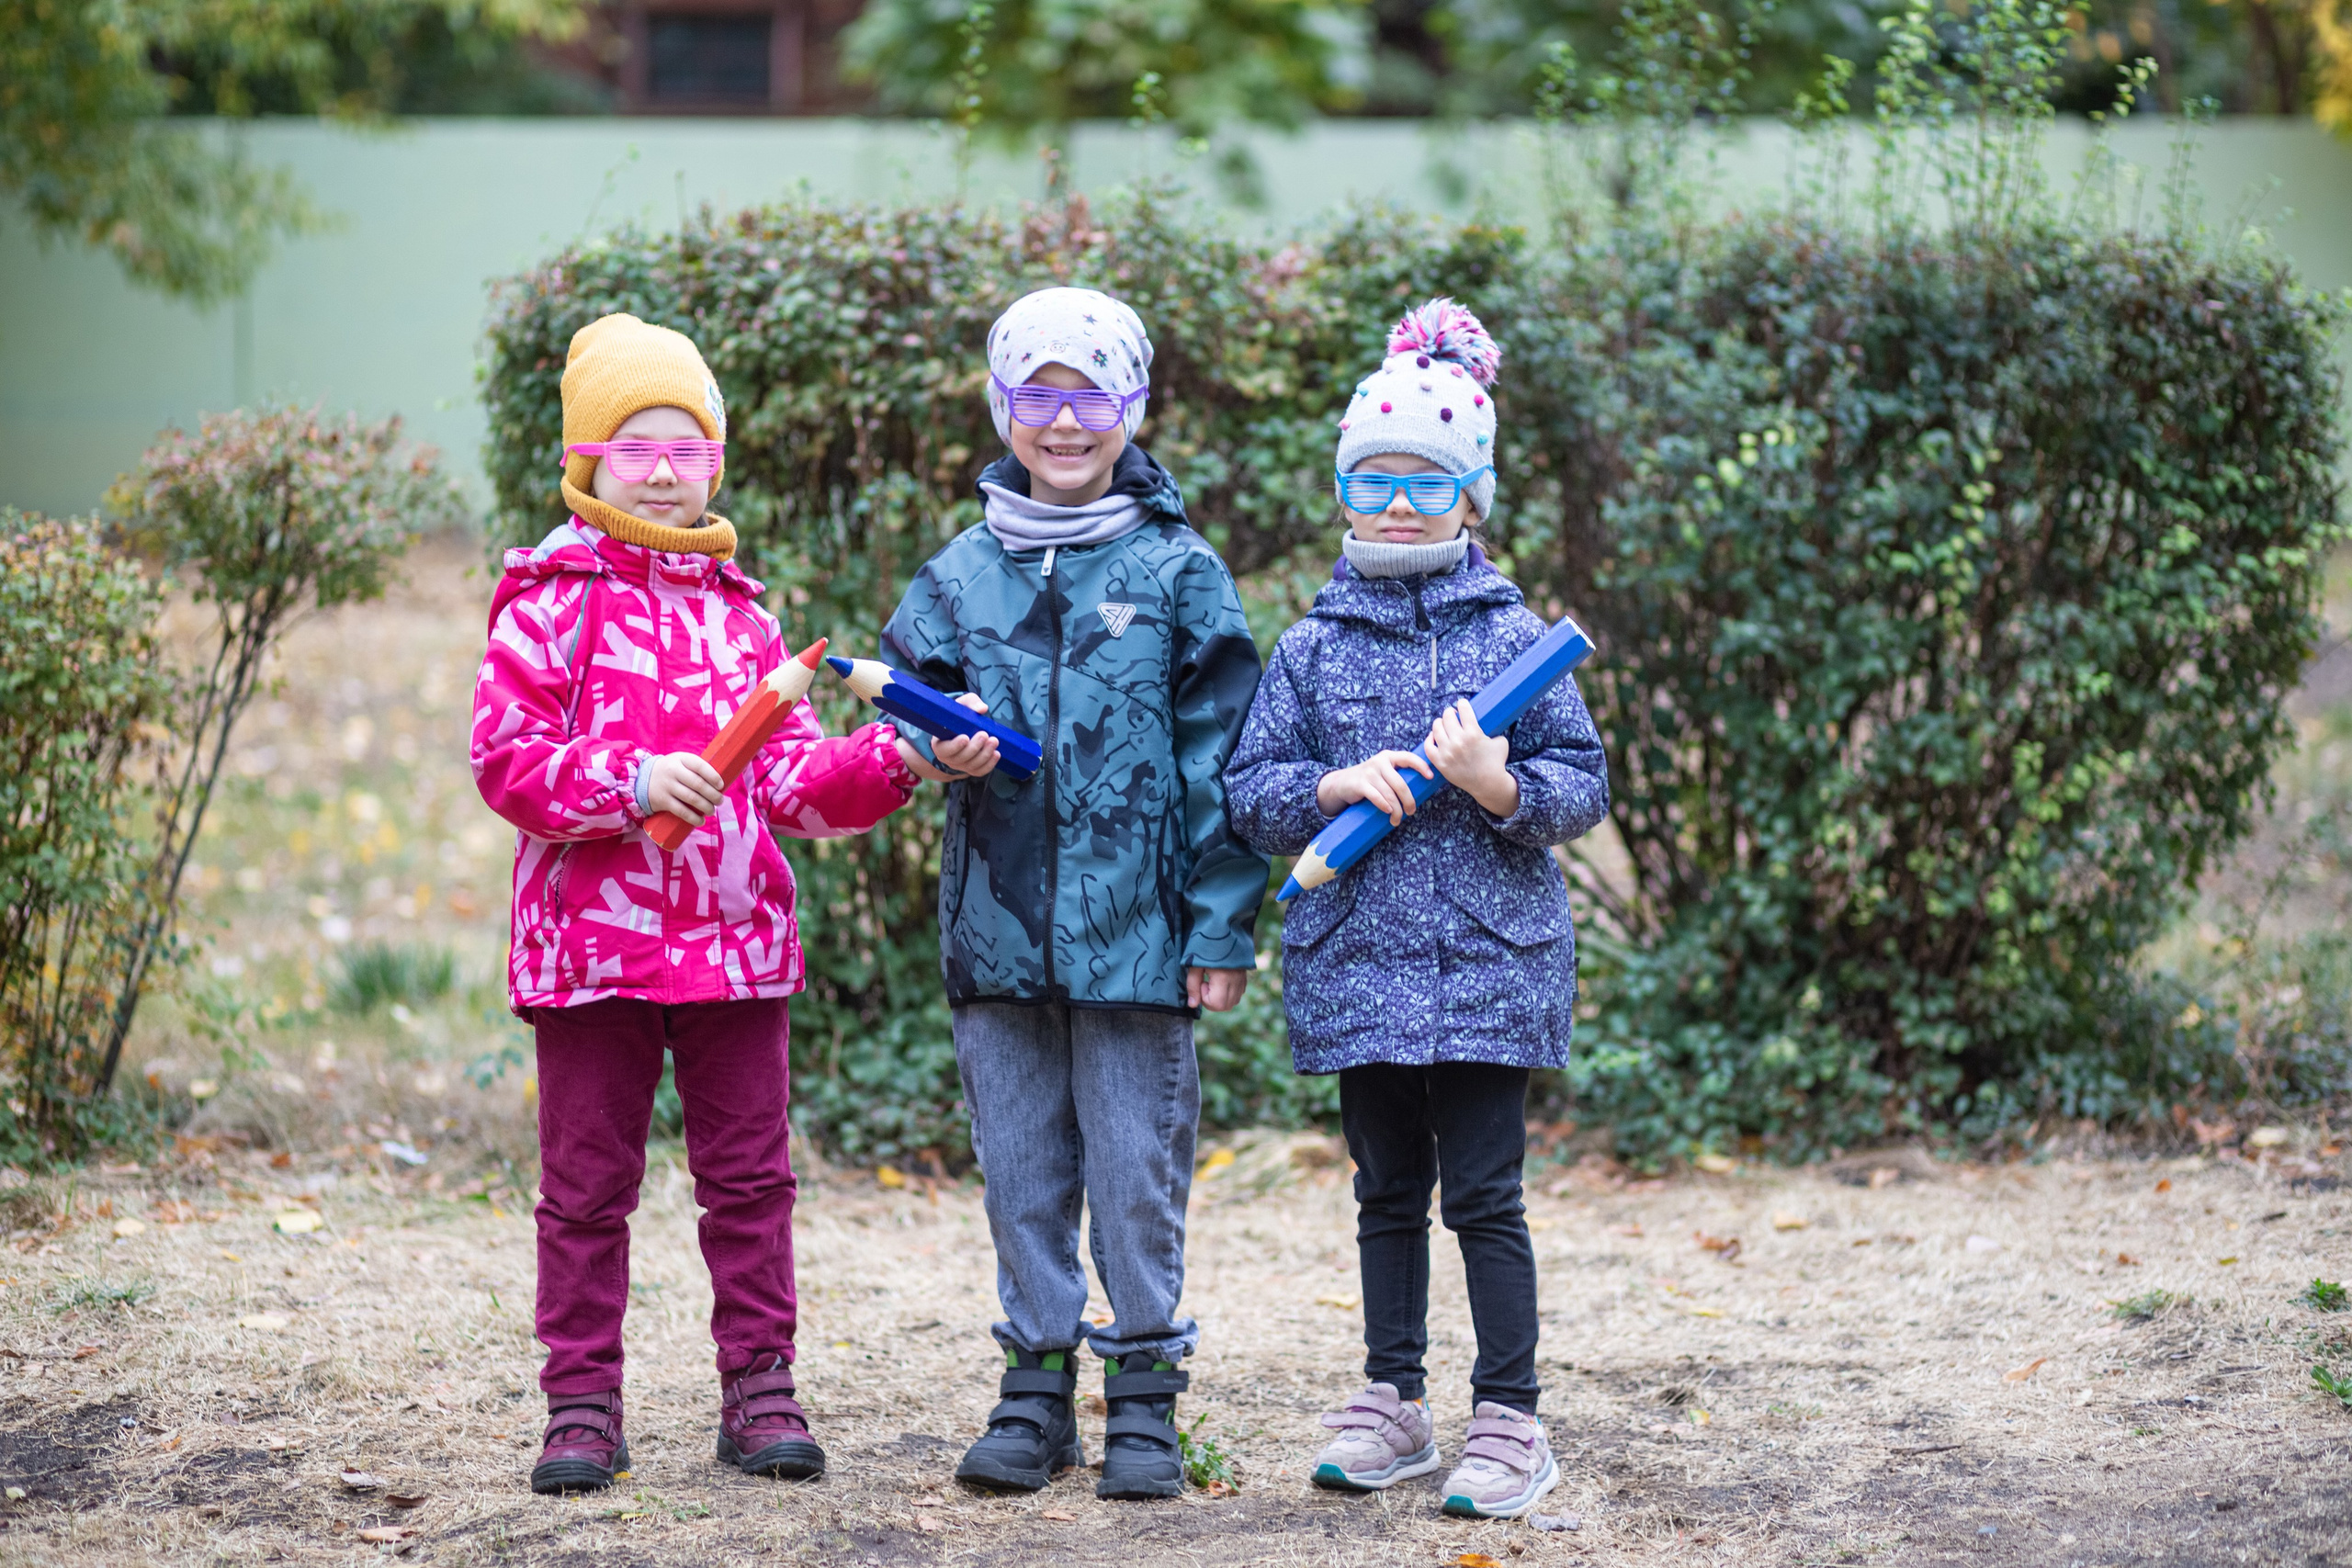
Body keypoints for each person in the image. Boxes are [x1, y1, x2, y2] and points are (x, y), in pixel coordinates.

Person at [470, 312, 986, 1495]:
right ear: (587, 459)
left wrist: (901, 758)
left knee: (751, 1184)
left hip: (736, 949)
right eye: (636, 446)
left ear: (716, 463)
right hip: (590, 955)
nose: (663, 470)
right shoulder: (547, 602)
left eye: (688, 448)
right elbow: (507, 764)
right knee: (586, 1191)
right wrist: (631, 784)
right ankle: (581, 1405)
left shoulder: (745, 619)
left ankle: (760, 1389)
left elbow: (793, 783)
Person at [879, 287, 1269, 1500]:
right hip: (995, 938)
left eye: (1090, 396)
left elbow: (1225, 763)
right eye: (1037, 396)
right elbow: (901, 705)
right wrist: (935, 743)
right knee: (1020, 1173)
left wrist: (1220, 925)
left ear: (1132, 407)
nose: (1064, 423)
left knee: (1135, 1174)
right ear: (1002, 406)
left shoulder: (1179, 570)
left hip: (1140, 945)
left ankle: (1145, 1398)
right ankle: (1035, 1393)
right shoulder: (957, 575)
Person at [1224, 299, 1610, 1520]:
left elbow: (1581, 785)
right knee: (1385, 1190)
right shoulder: (1310, 646)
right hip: (1358, 962)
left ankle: (1510, 1416)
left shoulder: (1516, 639)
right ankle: (1393, 1398)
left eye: (1428, 485)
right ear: (1342, 491)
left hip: (1493, 964)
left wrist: (1496, 783)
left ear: (1473, 499)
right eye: (1374, 482)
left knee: (1485, 1195)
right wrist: (1334, 786)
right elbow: (1251, 792)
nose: (1398, 506)